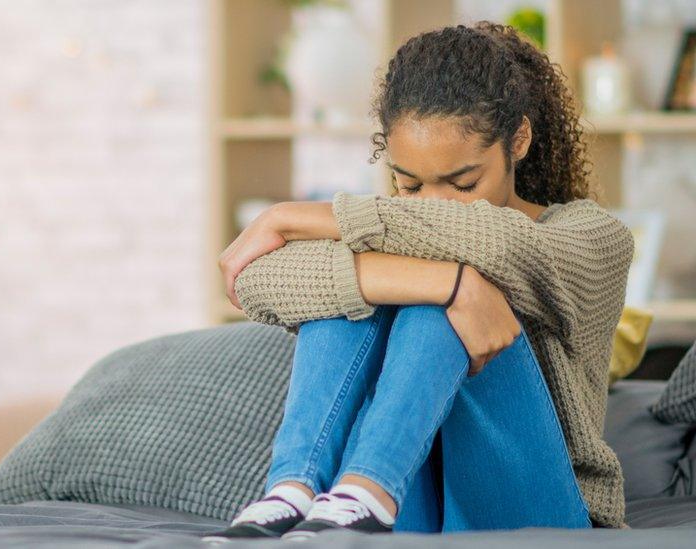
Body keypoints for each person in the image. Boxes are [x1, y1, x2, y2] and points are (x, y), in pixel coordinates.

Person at [200, 20, 634, 543]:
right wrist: (446, 282)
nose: (434, 204)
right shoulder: (406, 237)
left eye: (463, 183)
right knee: (369, 297)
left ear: (518, 140)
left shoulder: (593, 237)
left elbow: (498, 242)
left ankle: (369, 484)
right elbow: (258, 279)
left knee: (438, 296)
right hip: (411, 508)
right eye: (408, 185)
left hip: (538, 503)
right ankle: (293, 488)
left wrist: (297, 217)